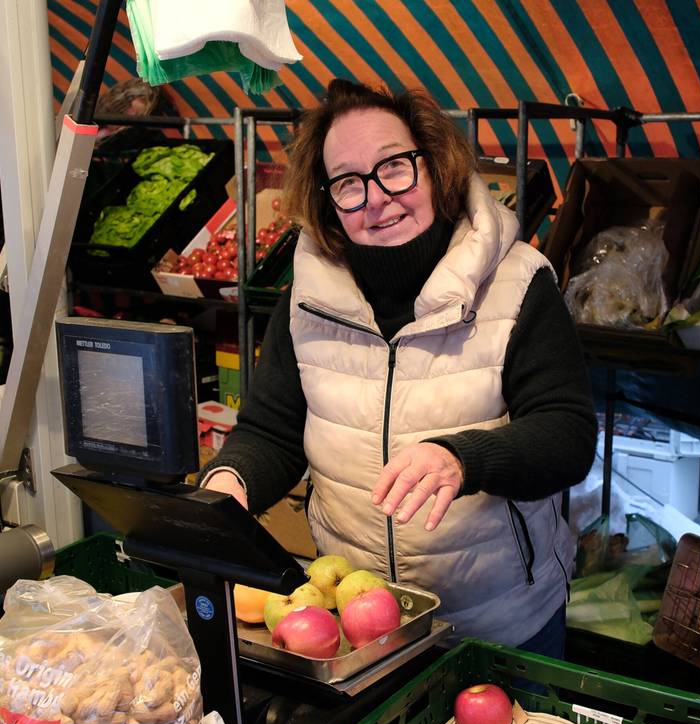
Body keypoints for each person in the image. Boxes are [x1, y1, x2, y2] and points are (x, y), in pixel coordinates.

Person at [201, 79, 596, 657]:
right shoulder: (305, 299)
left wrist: (464, 457)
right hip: (358, 629)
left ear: (434, 166)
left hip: (502, 625)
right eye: (348, 183)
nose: (377, 198)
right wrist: (230, 483)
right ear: (327, 199)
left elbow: (568, 435)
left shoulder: (518, 283)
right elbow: (272, 431)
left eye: (394, 167)